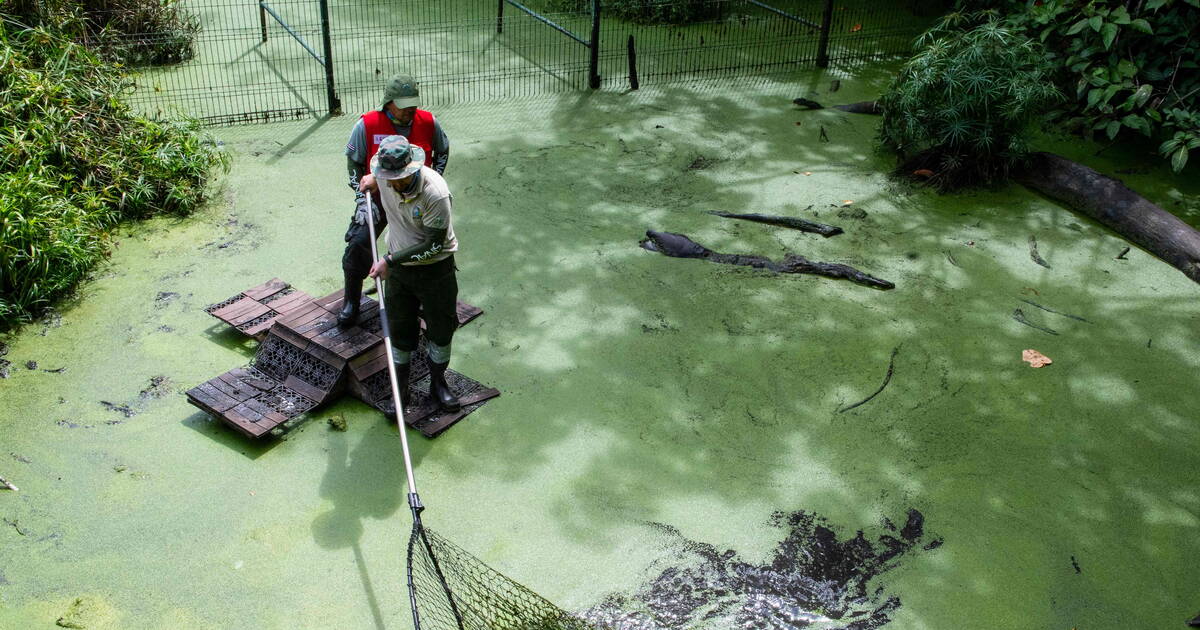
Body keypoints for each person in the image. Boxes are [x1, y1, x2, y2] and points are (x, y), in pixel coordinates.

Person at [340, 74, 450, 327]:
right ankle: (351, 301)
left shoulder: (429, 122)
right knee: (358, 244)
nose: (410, 110)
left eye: (413, 103)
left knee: (418, 248)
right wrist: (361, 200)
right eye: (404, 105)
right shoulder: (366, 125)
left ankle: (415, 299)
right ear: (389, 102)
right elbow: (354, 162)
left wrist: (433, 180)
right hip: (379, 196)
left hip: (417, 198)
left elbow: (443, 150)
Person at [360, 135, 461, 412]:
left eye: (398, 178)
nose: (391, 184)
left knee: (440, 330)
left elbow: (433, 244)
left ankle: (438, 384)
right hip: (400, 273)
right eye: (386, 177)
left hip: (434, 269)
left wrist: (389, 261)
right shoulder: (384, 176)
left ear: (412, 168)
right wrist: (370, 180)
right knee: (399, 329)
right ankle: (401, 390)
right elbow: (375, 178)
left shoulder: (435, 193)